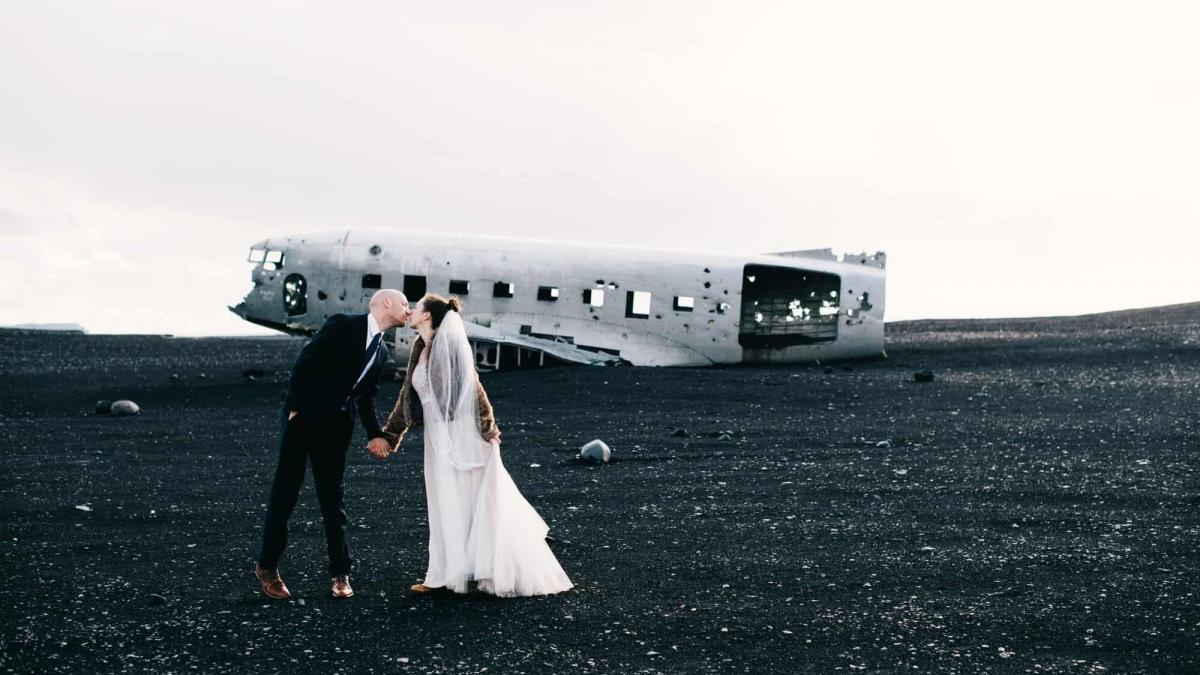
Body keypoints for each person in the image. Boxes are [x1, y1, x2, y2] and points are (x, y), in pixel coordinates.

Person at [381, 294, 573, 597]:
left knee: (461, 501)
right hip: (436, 437)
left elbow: (475, 387)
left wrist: (488, 427)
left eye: (416, 308)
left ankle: (460, 572)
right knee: (444, 503)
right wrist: (391, 436)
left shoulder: (449, 349)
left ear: (428, 316)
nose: (412, 311)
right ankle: (447, 571)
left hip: (459, 435)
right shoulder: (421, 348)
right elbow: (407, 399)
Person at [254, 289, 411, 599]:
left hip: (337, 430)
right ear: (387, 303)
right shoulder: (343, 325)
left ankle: (340, 575)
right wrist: (295, 407)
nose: (410, 310)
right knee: (285, 496)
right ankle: (267, 568)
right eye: (405, 304)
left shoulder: (381, 353)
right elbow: (305, 361)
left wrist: (374, 434)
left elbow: (365, 398)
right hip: (301, 423)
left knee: (333, 502)